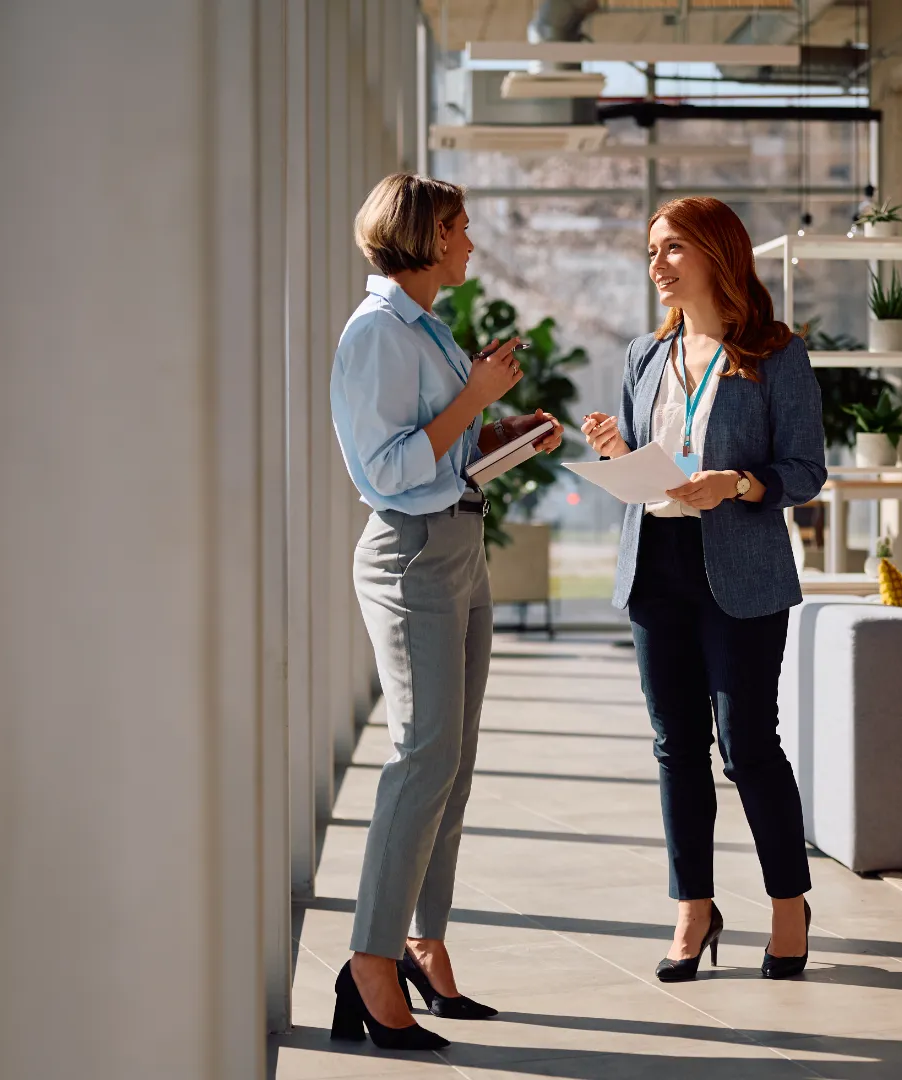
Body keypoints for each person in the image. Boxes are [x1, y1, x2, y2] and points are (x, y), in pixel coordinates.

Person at [329, 173, 563, 1051]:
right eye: (460, 228)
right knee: (422, 755)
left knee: (451, 762)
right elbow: (386, 471)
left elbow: (440, 453)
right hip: (413, 555)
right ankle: (371, 961)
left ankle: (422, 942)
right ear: (424, 237)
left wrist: (499, 434)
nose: (471, 243)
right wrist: (474, 399)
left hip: (458, 544)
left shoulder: (424, 327)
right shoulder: (377, 333)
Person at [580, 197, 827, 982]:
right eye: (651, 250)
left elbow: (807, 470)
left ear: (718, 253)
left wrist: (742, 484)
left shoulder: (776, 356)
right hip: (656, 564)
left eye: (672, 248)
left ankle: (790, 906)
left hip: (742, 573)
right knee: (674, 747)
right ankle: (694, 909)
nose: (656, 265)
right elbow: (644, 470)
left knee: (748, 746)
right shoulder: (642, 359)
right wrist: (618, 453)